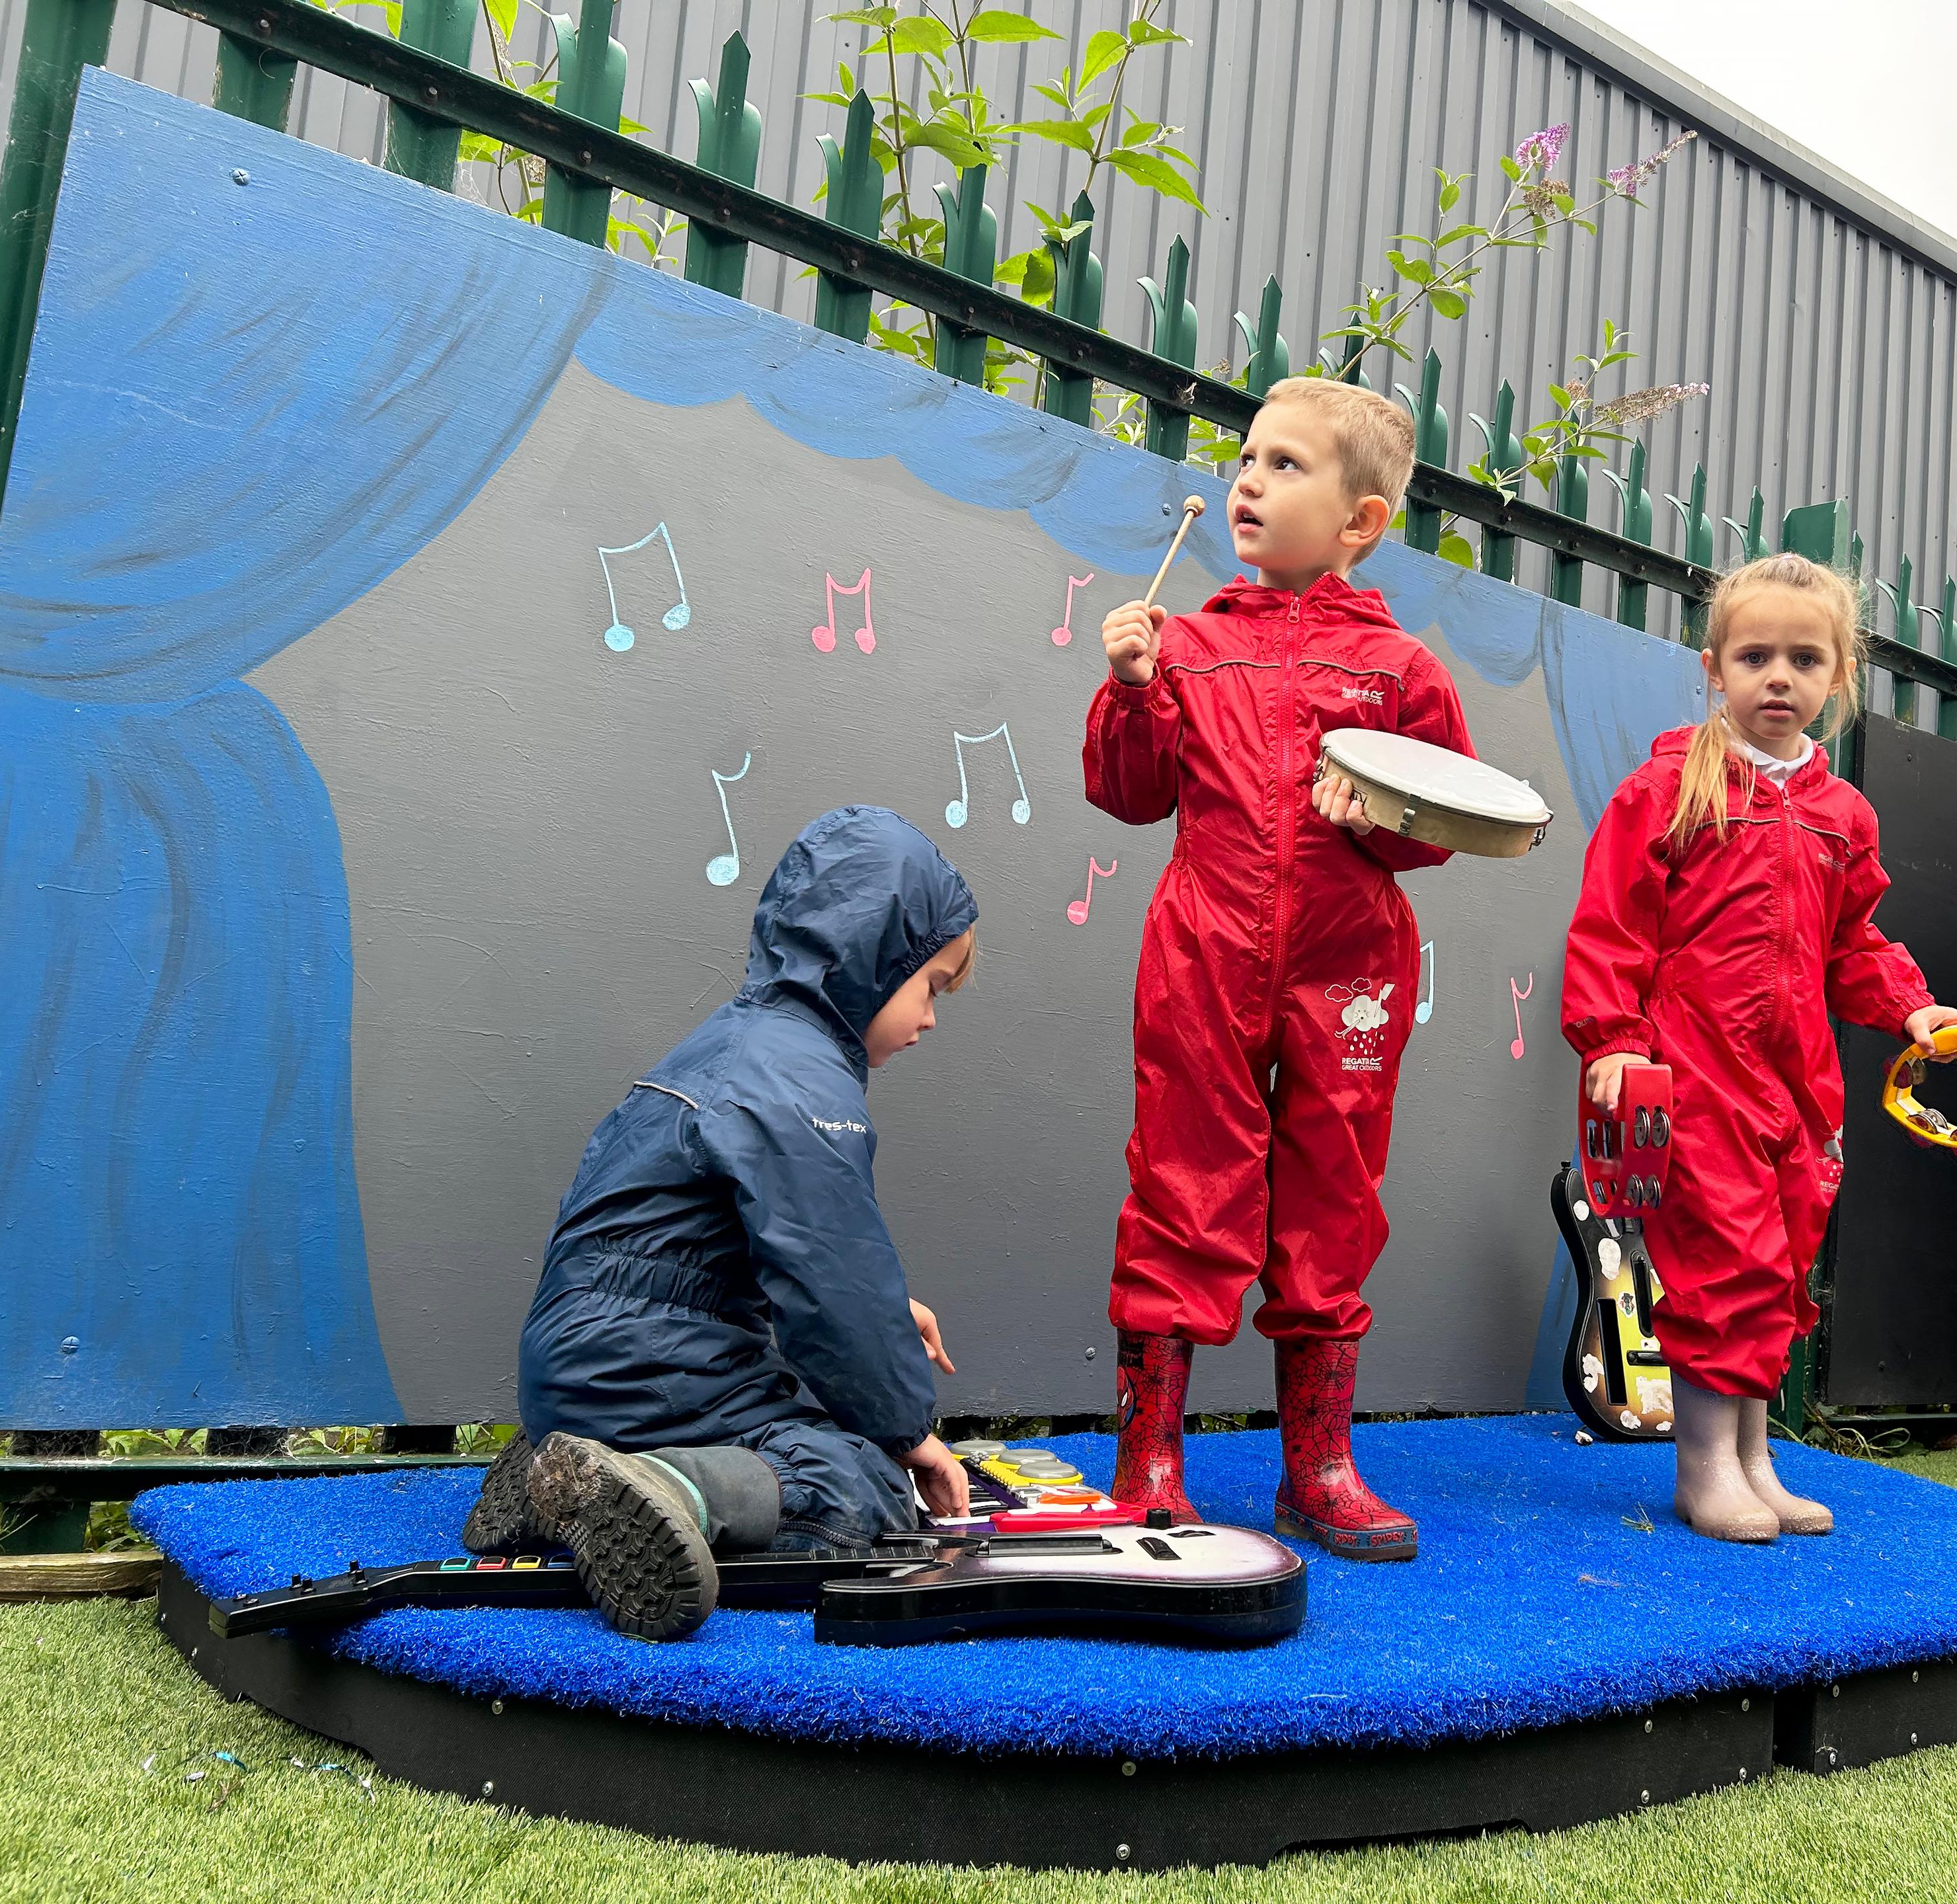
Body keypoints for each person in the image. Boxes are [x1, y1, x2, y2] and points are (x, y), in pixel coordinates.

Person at [1084, 377, 1475, 1561]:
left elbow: (1445, 824)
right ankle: (1149, 1461)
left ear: (1361, 520)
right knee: (1182, 1181)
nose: (1247, 481)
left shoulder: (1403, 669)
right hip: (1204, 948)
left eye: (1286, 465)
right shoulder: (1188, 641)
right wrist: (1133, 691)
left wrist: (1378, 817)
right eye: (1247, 458)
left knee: (1335, 1195)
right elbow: (1130, 793)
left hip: (1349, 967)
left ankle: (1319, 1465)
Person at [460, 806, 978, 1638]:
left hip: (592, 1365)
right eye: (931, 987)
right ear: (872, 958)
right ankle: (670, 1490)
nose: (928, 1019)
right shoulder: (803, 1084)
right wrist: (910, 1433)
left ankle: (569, 1477)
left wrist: (880, 1320)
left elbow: (734, 1256)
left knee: (806, 1411)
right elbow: (829, 1275)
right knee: (864, 1485)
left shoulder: (732, 1047)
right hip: (649, 1367)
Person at [1559, 554, 1957, 1543]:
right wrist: (1614, 1039)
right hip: (1693, 1070)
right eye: (1755, 656)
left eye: (1804, 657)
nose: (1777, 677)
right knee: (1724, 1263)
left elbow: (1853, 944)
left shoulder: (1842, 815)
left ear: (1838, 677)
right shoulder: (1669, 789)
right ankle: (1705, 1467)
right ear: (1715, 669)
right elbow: (1611, 925)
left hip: (1797, 1086)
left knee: (1781, 1263)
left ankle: (1754, 1458)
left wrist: (1914, 1009)